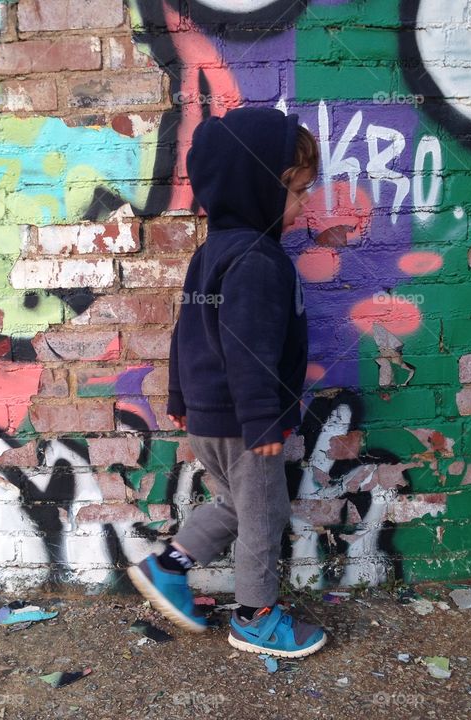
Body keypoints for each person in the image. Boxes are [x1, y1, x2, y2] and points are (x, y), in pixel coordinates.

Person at [127, 106, 326, 658]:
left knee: (237, 506)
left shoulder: (211, 253)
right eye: (297, 191)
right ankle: (255, 618)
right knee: (263, 519)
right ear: (259, 187)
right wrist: (264, 418)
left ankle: (168, 565)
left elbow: (187, 332)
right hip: (247, 424)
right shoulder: (260, 261)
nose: (304, 204)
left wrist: (179, 398)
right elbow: (248, 350)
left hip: (213, 419)